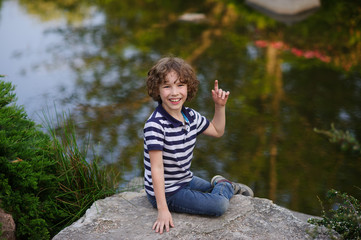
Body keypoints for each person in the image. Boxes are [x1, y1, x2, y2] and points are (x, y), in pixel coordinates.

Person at [143, 56, 253, 234]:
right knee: (219, 205)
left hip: (185, 179)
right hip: (168, 191)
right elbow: (156, 168)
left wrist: (219, 106)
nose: (174, 92)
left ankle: (222, 184)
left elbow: (217, 131)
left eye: (180, 85)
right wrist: (163, 210)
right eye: (167, 86)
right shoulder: (155, 125)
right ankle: (226, 186)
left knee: (212, 193)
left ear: (188, 87)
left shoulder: (190, 116)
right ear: (157, 90)